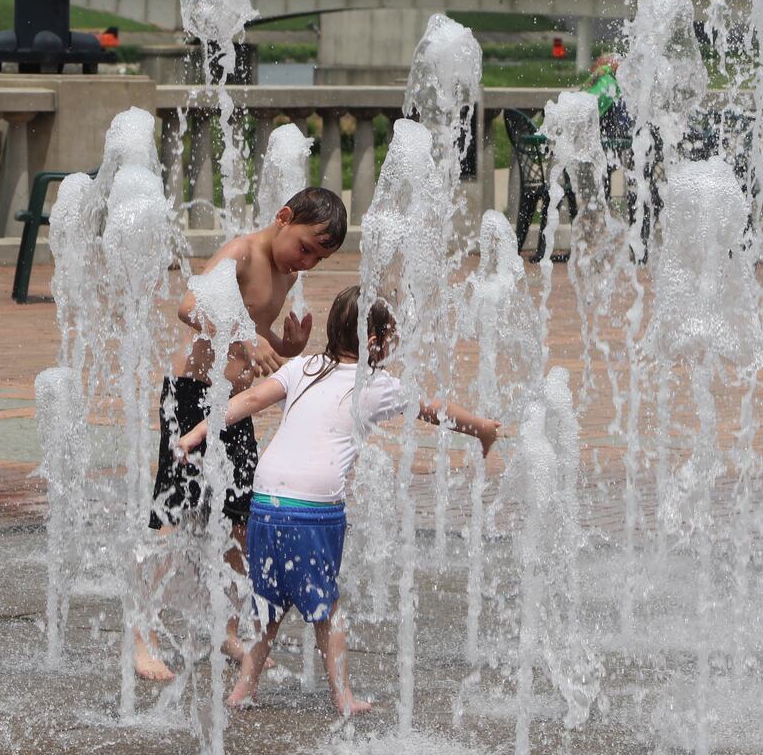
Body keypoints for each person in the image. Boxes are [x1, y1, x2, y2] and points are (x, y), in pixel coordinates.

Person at [173, 285, 500, 717]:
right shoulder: (378, 384)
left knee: (268, 605)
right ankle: (343, 698)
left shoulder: (302, 367)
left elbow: (248, 400)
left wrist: (196, 434)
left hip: (267, 501)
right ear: (376, 343)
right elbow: (435, 408)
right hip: (314, 509)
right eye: (395, 336)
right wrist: (481, 429)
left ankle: (242, 690)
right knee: (327, 609)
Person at [134, 186, 348, 682]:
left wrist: (283, 344)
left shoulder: (285, 273)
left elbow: (253, 332)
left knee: (241, 522)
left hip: (227, 408)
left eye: (319, 257)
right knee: (172, 516)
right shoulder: (242, 252)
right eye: (306, 247)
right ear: (283, 217)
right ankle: (140, 638)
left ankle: (229, 629)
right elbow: (189, 307)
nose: (308, 263)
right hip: (190, 396)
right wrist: (250, 338)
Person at [583, 53, 631, 140]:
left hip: (601, 107)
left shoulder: (612, 78)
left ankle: (620, 133)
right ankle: (623, 132)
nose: (617, 63)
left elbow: (587, 84)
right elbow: (595, 76)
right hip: (603, 106)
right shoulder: (606, 70)